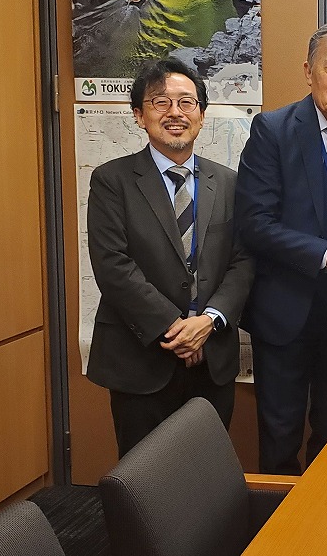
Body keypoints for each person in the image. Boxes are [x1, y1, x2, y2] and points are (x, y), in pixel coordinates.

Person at [235, 21, 327, 474]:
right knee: (280, 436)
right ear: (309, 72)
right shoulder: (273, 131)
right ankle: (279, 520)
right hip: (286, 313)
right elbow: (254, 224)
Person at [87, 57, 254, 456]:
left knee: (208, 470)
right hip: (141, 358)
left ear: (202, 115)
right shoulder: (111, 181)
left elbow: (244, 261)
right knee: (144, 476)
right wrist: (176, 328)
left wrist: (208, 322)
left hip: (212, 356)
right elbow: (113, 265)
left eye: (186, 102)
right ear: (139, 115)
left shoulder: (229, 183)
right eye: (160, 102)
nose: (175, 113)